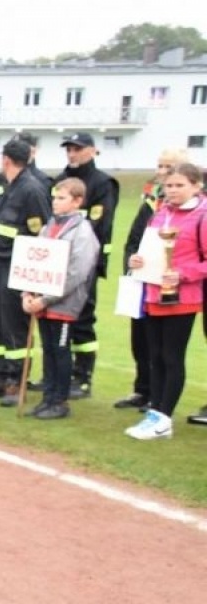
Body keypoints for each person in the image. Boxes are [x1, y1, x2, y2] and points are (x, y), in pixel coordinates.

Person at [123, 162, 205, 441]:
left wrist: (183, 274)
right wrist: (137, 260)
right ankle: (154, 413)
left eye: (179, 185)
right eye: (169, 185)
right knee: (154, 356)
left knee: (171, 356)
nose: (172, 190)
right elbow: (149, 248)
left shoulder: (202, 216)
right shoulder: (160, 213)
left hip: (183, 296)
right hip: (153, 292)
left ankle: (164, 418)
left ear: (196, 186)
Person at [0, 137, 50, 407]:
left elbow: (38, 232)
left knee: (13, 325)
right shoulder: (8, 187)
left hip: (15, 267)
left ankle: (17, 378)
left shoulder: (31, 189)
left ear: (6, 159)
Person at [114, 150, 185, 412]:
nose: (163, 171)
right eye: (161, 165)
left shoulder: (192, 209)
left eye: (170, 166)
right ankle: (142, 389)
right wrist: (132, 268)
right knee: (140, 339)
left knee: (165, 348)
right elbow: (133, 239)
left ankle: (160, 399)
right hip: (142, 281)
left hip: (168, 285)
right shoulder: (151, 203)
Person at [20, 178, 97, 420]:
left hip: (64, 303)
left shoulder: (82, 232)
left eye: (62, 198)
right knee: (49, 350)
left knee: (61, 350)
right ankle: (48, 396)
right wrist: (28, 293)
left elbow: (77, 272)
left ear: (77, 201)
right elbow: (33, 263)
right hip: (43, 301)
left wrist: (46, 298)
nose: (55, 202)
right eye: (54, 197)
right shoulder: (48, 227)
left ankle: (60, 401)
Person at [52, 133, 118, 398]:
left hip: (85, 263)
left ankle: (83, 376)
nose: (72, 153)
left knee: (82, 321)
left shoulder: (102, 183)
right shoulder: (59, 181)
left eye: (77, 149)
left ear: (92, 151)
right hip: (56, 265)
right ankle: (57, 374)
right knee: (56, 324)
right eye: (69, 148)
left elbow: (99, 225)